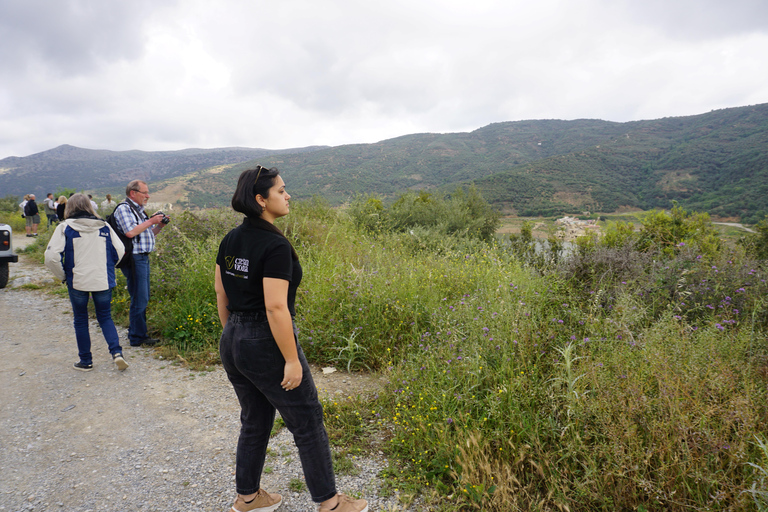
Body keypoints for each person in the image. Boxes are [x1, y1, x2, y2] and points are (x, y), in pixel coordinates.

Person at [215, 166, 368, 512]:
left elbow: (220, 291)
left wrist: (233, 333)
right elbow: (274, 306)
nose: (287, 196)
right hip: (264, 340)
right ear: (261, 199)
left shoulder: (230, 239)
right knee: (307, 419)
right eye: (281, 191)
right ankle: (330, 503)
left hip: (233, 338)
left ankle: (248, 498)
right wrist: (291, 358)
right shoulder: (274, 244)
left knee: (255, 417)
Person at [44, 193, 128, 372]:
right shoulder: (104, 226)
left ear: (69, 208)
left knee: (81, 320)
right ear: (90, 207)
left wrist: (63, 276)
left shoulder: (65, 227)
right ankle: (117, 353)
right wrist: (108, 267)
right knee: (105, 317)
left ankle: (86, 361)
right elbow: (120, 250)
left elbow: (50, 257)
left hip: (77, 281)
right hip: (103, 279)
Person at [113, 180, 169, 347]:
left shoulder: (137, 211)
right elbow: (130, 232)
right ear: (133, 193)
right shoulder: (124, 208)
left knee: (140, 296)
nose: (147, 195)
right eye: (144, 192)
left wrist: (159, 226)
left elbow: (145, 235)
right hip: (134, 259)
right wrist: (151, 221)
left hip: (142, 257)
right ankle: (137, 336)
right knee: (140, 297)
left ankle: (138, 333)